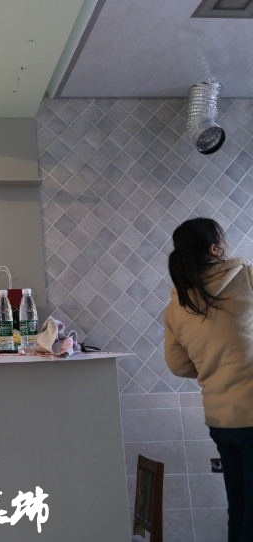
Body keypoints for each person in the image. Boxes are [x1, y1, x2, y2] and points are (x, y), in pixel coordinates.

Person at [164, 217, 253, 542]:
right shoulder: (247, 278)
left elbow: (178, 365)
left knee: (239, 509)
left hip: (221, 421)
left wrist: (212, 367)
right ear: (215, 249)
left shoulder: (178, 305)